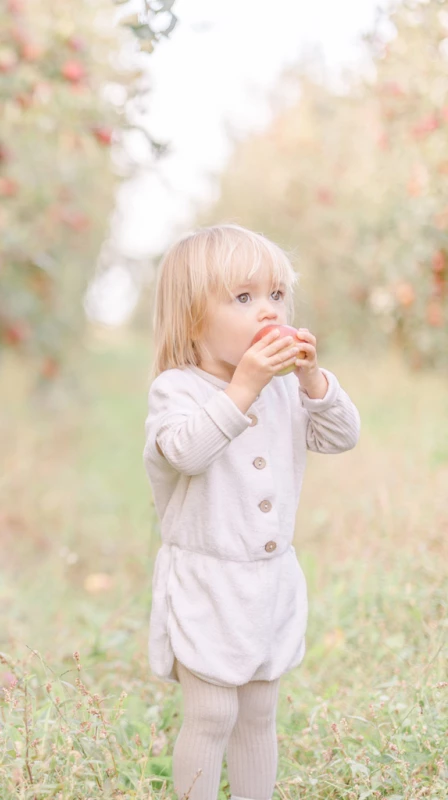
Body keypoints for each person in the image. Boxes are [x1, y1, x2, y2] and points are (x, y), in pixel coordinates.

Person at [142, 224, 361, 800]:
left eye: (277, 295)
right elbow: (186, 451)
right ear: (193, 318)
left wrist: (311, 377)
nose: (268, 311)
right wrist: (243, 387)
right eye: (244, 298)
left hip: (269, 583)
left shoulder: (286, 388)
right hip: (207, 583)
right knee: (212, 713)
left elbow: (341, 436)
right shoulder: (176, 390)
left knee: (260, 710)